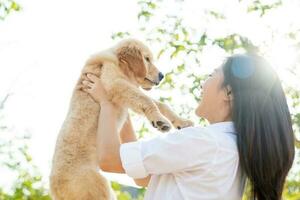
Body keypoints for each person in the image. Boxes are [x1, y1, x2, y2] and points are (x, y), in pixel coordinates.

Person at [81, 54, 295, 200]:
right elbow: (141, 176)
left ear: (228, 93)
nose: (204, 83)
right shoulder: (234, 149)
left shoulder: (205, 141)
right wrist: (124, 100)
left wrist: (107, 103)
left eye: (211, 75)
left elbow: (110, 160)